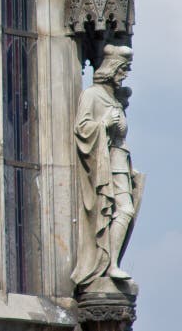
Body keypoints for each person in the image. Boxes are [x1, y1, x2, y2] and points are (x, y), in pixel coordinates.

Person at [72, 45, 142, 285]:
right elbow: (82, 127)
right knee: (122, 210)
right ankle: (109, 264)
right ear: (112, 69)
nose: (124, 74)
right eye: (122, 69)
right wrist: (102, 123)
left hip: (120, 161)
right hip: (105, 163)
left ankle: (112, 263)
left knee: (125, 211)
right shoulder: (92, 95)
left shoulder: (114, 98)